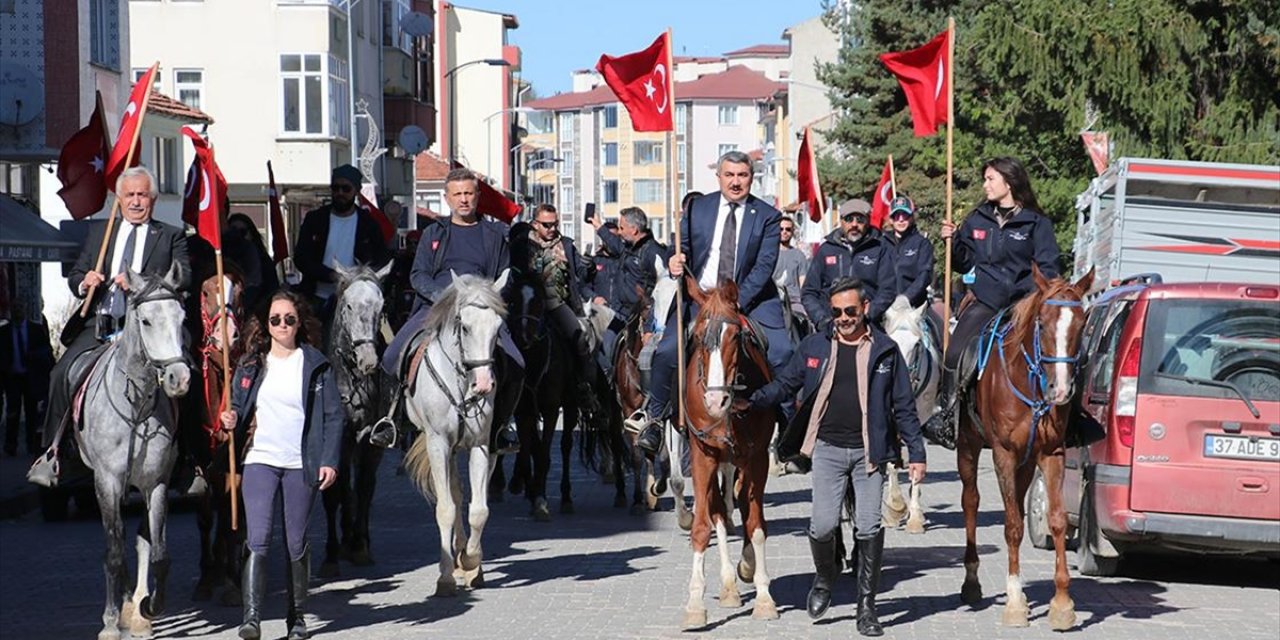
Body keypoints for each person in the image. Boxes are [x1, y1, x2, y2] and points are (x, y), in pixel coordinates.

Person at [741, 277, 925, 635]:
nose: (843, 318)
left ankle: (866, 608)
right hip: (826, 450)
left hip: (869, 453)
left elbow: (903, 406)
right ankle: (825, 578)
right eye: (837, 311)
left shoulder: (885, 351)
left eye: (851, 311)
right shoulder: (815, 346)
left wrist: (916, 453)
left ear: (865, 309)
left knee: (869, 526)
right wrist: (753, 400)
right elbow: (785, 384)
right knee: (823, 525)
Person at [29, 166, 190, 488]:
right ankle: (57, 453)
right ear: (119, 199)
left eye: (142, 195)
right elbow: (76, 274)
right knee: (60, 374)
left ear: (153, 199)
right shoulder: (101, 233)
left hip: (149, 332)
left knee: (187, 378)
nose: (135, 202)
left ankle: (187, 459)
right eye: (129, 195)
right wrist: (84, 281)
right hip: (101, 323)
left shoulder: (170, 235)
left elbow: (183, 275)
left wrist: (141, 285)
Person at [629, 151, 794, 457]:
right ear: (719, 177)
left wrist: (735, 301)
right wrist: (674, 261)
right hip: (699, 297)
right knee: (666, 352)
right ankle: (653, 419)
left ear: (751, 178)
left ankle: (788, 427)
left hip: (751, 298)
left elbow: (764, 265)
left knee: (784, 352)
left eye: (742, 175)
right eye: (729, 175)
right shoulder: (697, 209)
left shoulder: (768, 216)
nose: (735, 182)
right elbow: (681, 248)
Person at [372, 168, 521, 452]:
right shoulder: (434, 233)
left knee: (517, 363)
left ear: (477, 196)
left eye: (468, 193)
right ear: (447, 198)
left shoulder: (494, 235)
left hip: (480, 311)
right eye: (458, 194)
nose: (464, 200)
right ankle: (393, 418)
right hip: (435, 308)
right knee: (392, 356)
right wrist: (444, 298)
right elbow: (418, 275)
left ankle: (502, 425)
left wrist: (484, 298)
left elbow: (506, 276)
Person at [220, 291, 341, 640]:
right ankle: (252, 617)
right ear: (267, 325)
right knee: (257, 537)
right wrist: (231, 418)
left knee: (296, 541)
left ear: (299, 321)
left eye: (289, 318)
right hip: (260, 459)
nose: (282, 325)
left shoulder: (317, 364)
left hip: (300, 462)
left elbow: (333, 417)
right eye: (276, 319)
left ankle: (297, 618)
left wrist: (329, 460)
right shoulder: (251, 364)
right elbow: (238, 409)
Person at [923, 157, 1061, 449]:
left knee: (1061, 350)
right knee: (955, 352)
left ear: (1008, 182)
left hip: (1025, 304)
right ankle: (949, 417)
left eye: (990, 179)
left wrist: (1039, 298)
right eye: (984, 179)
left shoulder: (1037, 223)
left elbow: (1049, 267)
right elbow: (964, 261)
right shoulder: (977, 219)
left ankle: (1067, 420)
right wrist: (953, 241)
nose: (985, 185)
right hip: (986, 300)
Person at [515, 204, 597, 408]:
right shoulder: (521, 245)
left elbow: (582, 275)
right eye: (546, 225)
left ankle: (583, 386)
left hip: (556, 302)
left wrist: (588, 264)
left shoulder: (566, 244)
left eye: (555, 224)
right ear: (535, 224)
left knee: (579, 337)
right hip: (527, 302)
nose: (551, 229)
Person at [293, 165, 392, 320]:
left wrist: (360, 279)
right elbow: (301, 258)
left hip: (356, 300)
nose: (340, 193)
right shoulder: (315, 219)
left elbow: (381, 259)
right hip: (317, 296)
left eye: (346, 189)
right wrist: (331, 275)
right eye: (335, 188)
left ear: (356, 191)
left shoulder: (369, 223)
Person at [590, 208, 670, 379]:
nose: (619, 232)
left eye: (621, 227)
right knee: (603, 352)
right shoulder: (628, 247)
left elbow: (665, 290)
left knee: (645, 363)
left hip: (645, 320)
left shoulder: (653, 252)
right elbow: (614, 243)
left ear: (633, 230)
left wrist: (650, 327)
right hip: (622, 314)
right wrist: (598, 226)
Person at [803, 199, 897, 331]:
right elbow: (809, 292)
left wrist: (869, 314)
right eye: (849, 219)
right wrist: (822, 319)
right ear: (841, 221)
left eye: (860, 220)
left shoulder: (880, 249)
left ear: (868, 221)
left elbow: (888, 290)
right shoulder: (826, 250)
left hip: (868, 324)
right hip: (831, 324)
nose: (854, 224)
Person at [0, 307, 54, 456]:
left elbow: (46, 350)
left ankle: (31, 444)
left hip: (31, 376)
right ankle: (10, 445)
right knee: (13, 411)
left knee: (32, 412)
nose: (17, 313)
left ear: (24, 311)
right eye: (15, 310)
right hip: (12, 377)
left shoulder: (35, 330)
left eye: (20, 310)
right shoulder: (4, 332)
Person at [223, 213, 281, 315]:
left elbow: (272, 290)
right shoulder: (223, 258)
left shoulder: (264, 261)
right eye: (233, 230)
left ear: (251, 234)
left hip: (256, 314)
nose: (237, 236)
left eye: (242, 232)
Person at [774, 214, 809, 321]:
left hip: (794, 301)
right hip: (773, 301)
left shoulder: (799, 255)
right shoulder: (769, 254)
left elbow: (803, 283)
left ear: (792, 232)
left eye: (788, 229)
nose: (784, 232)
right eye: (781, 229)